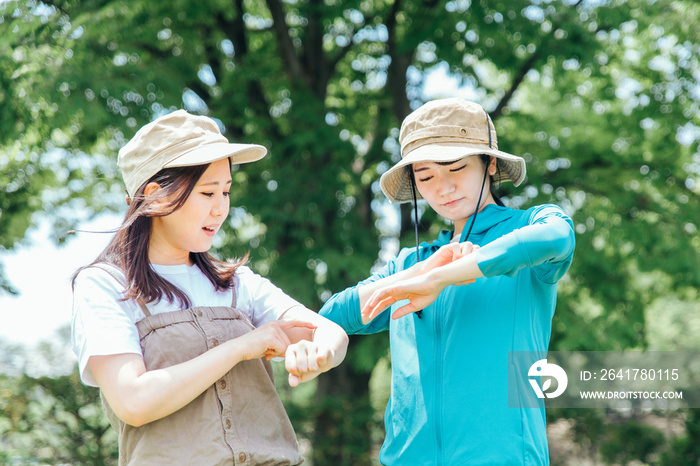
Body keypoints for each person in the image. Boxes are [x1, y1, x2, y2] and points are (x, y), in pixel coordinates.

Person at [71, 110, 348, 465]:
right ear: (156, 197)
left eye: (227, 192)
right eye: (207, 193)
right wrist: (242, 347)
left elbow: (328, 332)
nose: (221, 209)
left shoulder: (236, 283)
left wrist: (318, 354)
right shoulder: (104, 285)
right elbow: (133, 402)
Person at [319, 98, 575, 465]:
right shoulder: (411, 263)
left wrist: (443, 278)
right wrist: (421, 273)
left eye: (456, 168)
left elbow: (557, 237)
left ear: (488, 163)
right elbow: (332, 316)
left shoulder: (529, 227)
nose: (443, 187)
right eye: (425, 177)